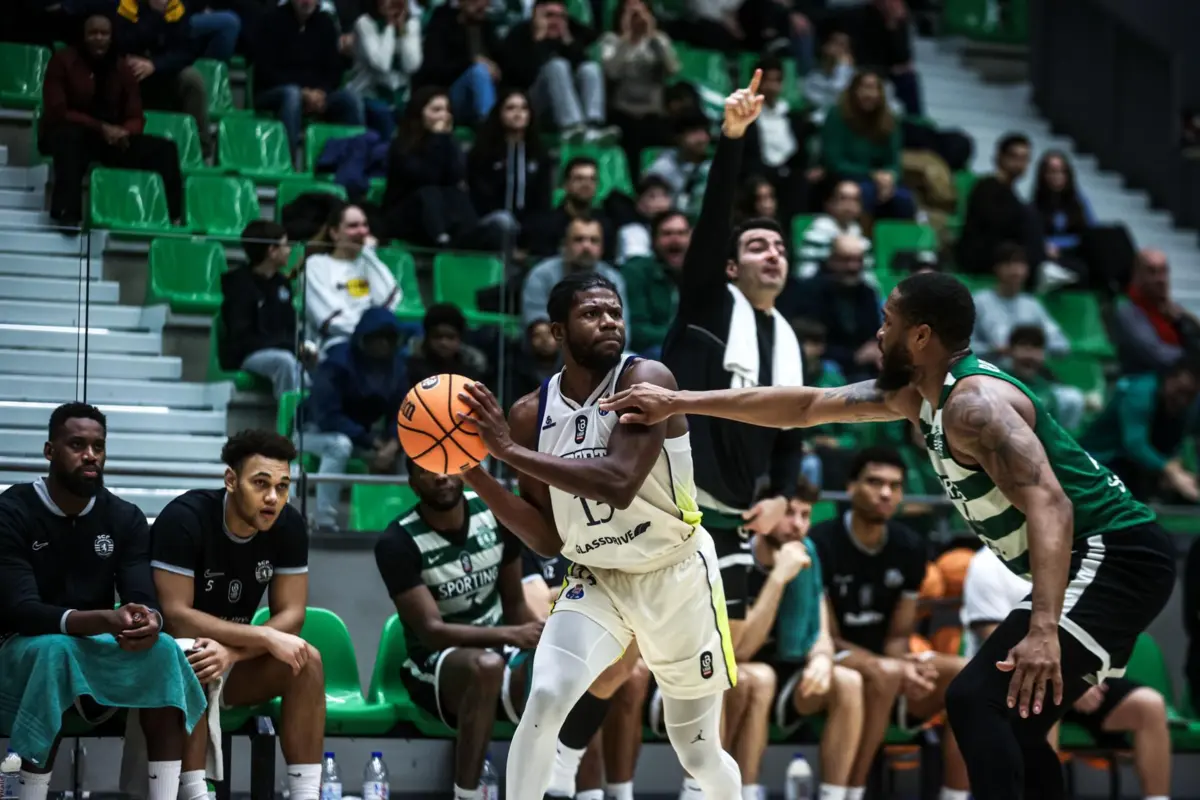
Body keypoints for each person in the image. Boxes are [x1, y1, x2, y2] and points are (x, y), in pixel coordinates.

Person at [603, 269, 1177, 800]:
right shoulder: (917, 395)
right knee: (1019, 721)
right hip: (1094, 559)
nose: (879, 334)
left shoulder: (973, 408)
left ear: (921, 336)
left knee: (976, 701)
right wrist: (678, 402)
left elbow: (1052, 505)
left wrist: (1044, 629)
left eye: (888, 321)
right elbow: (805, 406)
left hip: (1117, 554)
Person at [457, 268, 746, 799]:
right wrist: (475, 474)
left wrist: (509, 454)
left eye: (615, 311)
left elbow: (618, 483)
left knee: (698, 752)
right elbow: (548, 538)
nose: (609, 321)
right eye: (591, 313)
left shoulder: (648, 381)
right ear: (557, 332)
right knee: (545, 699)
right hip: (597, 576)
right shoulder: (529, 415)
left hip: (676, 573)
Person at [650, 71, 805, 666]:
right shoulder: (707, 305)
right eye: (759, 246)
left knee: (719, 664)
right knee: (637, 661)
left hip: (734, 518)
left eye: (781, 248)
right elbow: (714, 221)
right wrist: (733, 138)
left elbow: (794, 430)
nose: (774, 254)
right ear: (731, 268)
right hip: (667, 510)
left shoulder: (787, 340)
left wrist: (783, 496)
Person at [0, 403, 207, 800]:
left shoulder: (124, 517)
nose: (91, 455)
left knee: (164, 649)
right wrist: (107, 620)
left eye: (98, 446)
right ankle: (28, 793)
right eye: (77, 445)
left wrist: (149, 620)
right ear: (49, 451)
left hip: (93, 643)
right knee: (55, 651)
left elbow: (142, 597)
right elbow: (22, 611)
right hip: (19, 644)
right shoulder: (12, 510)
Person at [151, 430, 324, 800]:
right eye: (260, 483)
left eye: (282, 486)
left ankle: (307, 794)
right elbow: (176, 615)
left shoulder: (289, 525)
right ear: (231, 480)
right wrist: (262, 636)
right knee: (196, 655)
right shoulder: (184, 518)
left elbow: (293, 614)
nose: (273, 497)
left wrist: (232, 653)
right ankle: (195, 793)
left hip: (234, 660)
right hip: (171, 661)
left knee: (306, 659)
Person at [808, 447, 968, 800]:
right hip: (828, 657)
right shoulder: (821, 542)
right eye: (874, 482)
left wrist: (907, 665)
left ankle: (955, 796)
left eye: (895, 486)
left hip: (886, 662)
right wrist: (893, 667)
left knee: (965, 673)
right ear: (851, 487)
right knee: (885, 672)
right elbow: (828, 636)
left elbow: (898, 635)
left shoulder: (909, 547)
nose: (885, 493)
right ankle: (852, 792)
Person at [374, 458, 539, 799]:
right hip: (433, 665)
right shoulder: (397, 541)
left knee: (565, 670)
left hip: (500, 651)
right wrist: (511, 635)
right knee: (486, 666)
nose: (440, 476)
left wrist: (543, 643)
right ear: (412, 484)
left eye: (446, 466)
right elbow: (432, 632)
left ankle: (563, 790)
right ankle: (465, 795)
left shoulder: (496, 512)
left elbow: (514, 603)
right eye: (426, 470)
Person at [962, 546, 1173, 800]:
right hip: (1015, 679)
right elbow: (995, 640)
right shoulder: (988, 564)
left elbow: (1100, 628)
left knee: (1149, 706)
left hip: (1078, 673)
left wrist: (1082, 678)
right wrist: (1070, 681)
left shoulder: (1080, 555)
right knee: (1042, 704)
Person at [745, 479, 864, 800]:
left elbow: (821, 630)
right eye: (789, 513)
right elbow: (743, 649)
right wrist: (778, 578)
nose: (797, 525)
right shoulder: (740, 556)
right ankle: (745, 792)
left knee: (848, 681)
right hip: (741, 671)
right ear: (763, 512)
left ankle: (834, 796)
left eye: (805, 515)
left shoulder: (808, 552)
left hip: (789, 672)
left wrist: (822, 658)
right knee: (759, 678)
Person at [521, 550, 650, 800]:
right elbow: (540, 613)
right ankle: (579, 785)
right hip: (544, 646)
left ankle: (618, 792)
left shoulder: (608, 542)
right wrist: (591, 596)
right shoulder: (532, 543)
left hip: (607, 638)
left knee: (631, 674)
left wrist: (566, 594)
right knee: (588, 666)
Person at [41, 10, 184, 228]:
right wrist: (100, 128)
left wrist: (125, 131)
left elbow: (135, 114)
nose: (98, 38)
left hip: (112, 139)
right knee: (69, 139)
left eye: (104, 33)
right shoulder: (62, 61)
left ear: (111, 37)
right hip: (70, 132)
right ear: (83, 36)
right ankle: (67, 214)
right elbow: (58, 111)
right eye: (93, 33)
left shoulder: (121, 67)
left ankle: (174, 218)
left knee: (165, 149)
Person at [300, 307, 410, 529]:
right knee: (339, 445)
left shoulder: (396, 367)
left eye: (389, 338)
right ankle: (324, 521)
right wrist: (372, 442)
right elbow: (326, 415)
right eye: (377, 337)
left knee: (410, 447)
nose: (383, 344)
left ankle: (401, 521)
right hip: (312, 432)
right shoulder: (337, 361)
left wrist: (393, 443)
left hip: (361, 436)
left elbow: (402, 410)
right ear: (363, 337)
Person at [1079, 357, 1200, 503]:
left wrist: (1184, 471)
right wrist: (1169, 470)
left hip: (1139, 467)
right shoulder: (1139, 392)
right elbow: (1134, 444)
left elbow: (1183, 444)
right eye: (1180, 391)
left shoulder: (1189, 405)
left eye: (1190, 395)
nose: (1183, 400)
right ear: (1169, 379)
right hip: (1103, 459)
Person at [254, 0, 366, 154]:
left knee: (351, 99)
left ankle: (354, 158)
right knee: (292, 95)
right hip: (275, 92)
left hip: (317, 94)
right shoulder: (272, 20)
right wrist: (303, 92)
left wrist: (321, 93)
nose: (307, 1)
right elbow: (265, 71)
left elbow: (334, 71)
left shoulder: (326, 23)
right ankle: (288, 160)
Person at [500, 0, 612, 142]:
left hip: (567, 105)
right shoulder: (519, 34)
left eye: (561, 17)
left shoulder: (570, 32)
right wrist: (539, 40)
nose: (555, 21)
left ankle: (593, 125)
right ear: (536, 17)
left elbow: (582, 63)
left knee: (590, 68)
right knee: (557, 66)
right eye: (549, 15)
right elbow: (521, 76)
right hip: (530, 106)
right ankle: (571, 127)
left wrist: (568, 42)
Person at [302, 204, 400, 356]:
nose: (362, 231)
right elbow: (328, 320)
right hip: (337, 343)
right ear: (334, 233)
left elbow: (390, 301)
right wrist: (368, 330)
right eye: (353, 226)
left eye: (365, 225)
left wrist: (370, 255)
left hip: (376, 342)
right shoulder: (316, 265)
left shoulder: (367, 263)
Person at [220, 220, 303, 400]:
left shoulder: (283, 284)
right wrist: (284, 345)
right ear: (272, 251)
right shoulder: (237, 284)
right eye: (285, 245)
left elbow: (290, 326)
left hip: (282, 349)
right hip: (249, 354)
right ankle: (290, 417)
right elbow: (242, 336)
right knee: (285, 362)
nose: (289, 250)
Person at [820, 70, 915, 220]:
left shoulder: (890, 120)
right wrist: (872, 175)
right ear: (854, 90)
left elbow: (894, 161)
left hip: (879, 181)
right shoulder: (837, 115)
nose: (869, 94)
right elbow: (834, 162)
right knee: (866, 192)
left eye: (874, 88)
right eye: (864, 88)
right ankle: (861, 234)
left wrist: (890, 177)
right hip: (845, 177)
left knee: (904, 199)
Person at [521, 217, 628, 331]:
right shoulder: (542, 275)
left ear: (602, 248)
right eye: (578, 239)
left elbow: (621, 329)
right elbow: (539, 330)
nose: (586, 246)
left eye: (594, 240)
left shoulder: (613, 279)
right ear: (565, 245)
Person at [969, 241, 1070, 360]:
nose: (1015, 270)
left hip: (1028, 368)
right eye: (1008, 264)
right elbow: (964, 346)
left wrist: (1035, 350)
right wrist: (993, 351)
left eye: (1020, 264)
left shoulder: (1032, 304)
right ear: (996, 268)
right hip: (991, 367)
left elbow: (1061, 344)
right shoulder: (979, 302)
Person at [1114, 249, 1200, 375]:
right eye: (1152, 272)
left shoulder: (1173, 310)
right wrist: (1194, 356)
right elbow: (1159, 356)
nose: (1160, 279)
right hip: (1146, 379)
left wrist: (1181, 321)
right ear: (1137, 276)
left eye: (1163, 271)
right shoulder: (1127, 312)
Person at [347, 0, 422, 142]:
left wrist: (402, 30)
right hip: (368, 96)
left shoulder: (412, 24)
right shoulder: (365, 23)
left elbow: (412, 65)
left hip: (401, 98)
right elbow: (382, 64)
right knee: (383, 114)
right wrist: (390, 27)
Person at [623, 209, 690, 357]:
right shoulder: (636, 271)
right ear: (654, 240)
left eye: (681, 233)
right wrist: (682, 335)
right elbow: (637, 331)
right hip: (648, 352)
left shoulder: (699, 273)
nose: (675, 240)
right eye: (667, 233)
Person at [795, 179, 873, 280]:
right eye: (843, 199)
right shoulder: (817, 233)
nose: (849, 205)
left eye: (855, 200)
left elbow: (868, 276)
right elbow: (806, 274)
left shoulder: (859, 233)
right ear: (830, 203)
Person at [406, 303, 489, 386]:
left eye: (450, 337)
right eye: (437, 336)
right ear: (427, 338)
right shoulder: (411, 366)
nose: (443, 343)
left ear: (460, 338)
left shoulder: (472, 368)